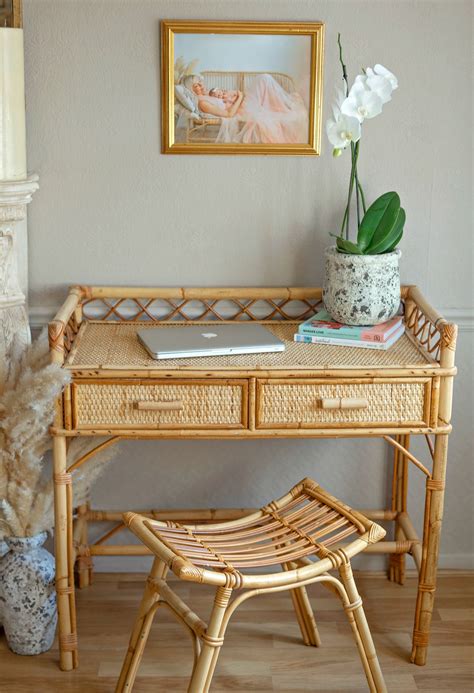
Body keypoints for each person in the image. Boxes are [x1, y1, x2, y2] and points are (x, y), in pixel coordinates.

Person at [182, 73, 308, 144]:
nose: (201, 85)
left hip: (242, 102)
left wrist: (236, 95)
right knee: (264, 79)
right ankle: (287, 107)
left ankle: (286, 107)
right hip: (242, 108)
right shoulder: (202, 103)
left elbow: (225, 97)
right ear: (191, 90)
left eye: (200, 82)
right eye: (196, 85)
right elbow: (229, 114)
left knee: (264, 79)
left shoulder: (208, 95)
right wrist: (241, 97)